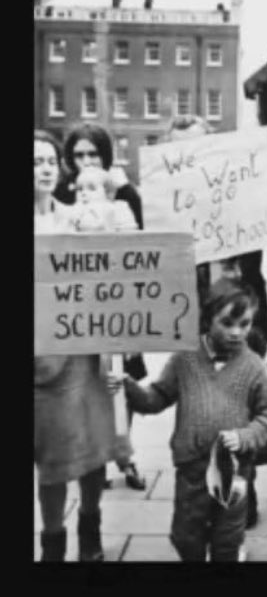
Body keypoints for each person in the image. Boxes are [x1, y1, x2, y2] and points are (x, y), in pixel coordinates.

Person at [118, 280, 267, 562]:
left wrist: (245, 436)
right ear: (207, 319)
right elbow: (156, 398)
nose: (236, 332)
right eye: (227, 323)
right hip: (192, 469)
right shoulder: (184, 360)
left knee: (227, 540)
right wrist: (128, 388)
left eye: (244, 324)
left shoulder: (254, 367)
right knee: (186, 537)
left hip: (235, 470)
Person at [165, 115, 267, 534]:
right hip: (194, 332)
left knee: (243, 416)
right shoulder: (168, 202)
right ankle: (203, 500)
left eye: (195, 147)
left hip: (240, 328)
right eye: (178, 149)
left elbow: (258, 257)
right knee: (202, 419)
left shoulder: (237, 193)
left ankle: (245, 492)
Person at [35, 130, 122, 561]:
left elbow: (118, 268)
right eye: (35, 162)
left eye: (51, 160)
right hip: (41, 360)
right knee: (53, 456)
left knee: (93, 447)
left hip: (87, 352)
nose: (46, 168)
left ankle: (91, 528)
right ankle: (52, 540)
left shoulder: (79, 216)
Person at [52, 123, 148, 491]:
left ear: (106, 157)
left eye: (93, 154)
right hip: (78, 306)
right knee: (85, 385)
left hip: (120, 302)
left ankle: (126, 454)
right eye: (79, 155)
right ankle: (96, 459)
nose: (86, 161)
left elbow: (142, 241)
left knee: (121, 382)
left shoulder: (125, 196)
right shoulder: (62, 195)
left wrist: (119, 190)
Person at [69, 166, 138, 232]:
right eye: (80, 189)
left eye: (92, 188)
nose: (83, 193)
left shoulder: (118, 209)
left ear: (107, 192)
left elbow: (130, 234)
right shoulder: (75, 211)